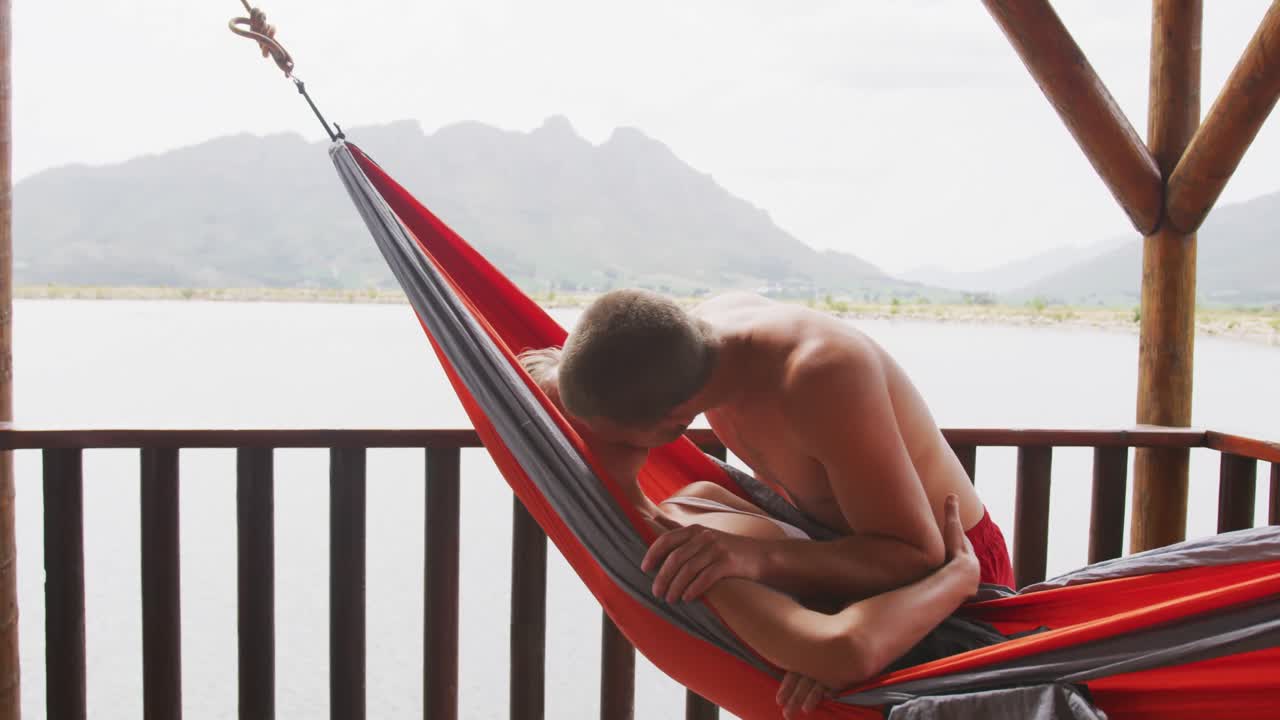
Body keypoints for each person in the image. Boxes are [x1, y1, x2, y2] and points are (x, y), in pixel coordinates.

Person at [519, 351, 981, 718]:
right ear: (561, 448)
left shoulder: (699, 499)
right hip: (915, 684)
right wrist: (956, 578)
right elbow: (844, 649)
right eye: (586, 407)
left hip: (926, 650)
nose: (617, 405)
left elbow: (833, 597)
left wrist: (812, 656)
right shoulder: (682, 557)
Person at [532, 289, 1013, 608]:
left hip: (953, 578)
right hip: (837, 554)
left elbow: (917, 554)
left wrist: (752, 558)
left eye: (611, 442)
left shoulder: (821, 376)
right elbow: (610, 349)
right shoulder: (691, 345)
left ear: (671, 425)